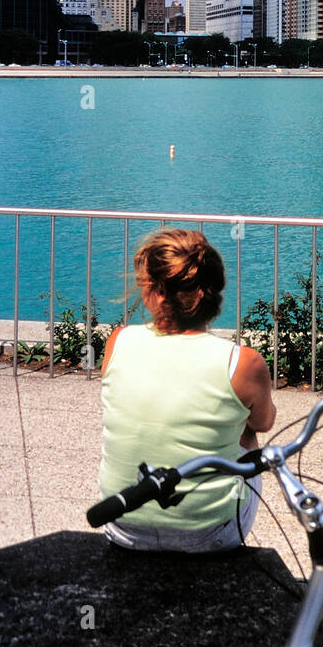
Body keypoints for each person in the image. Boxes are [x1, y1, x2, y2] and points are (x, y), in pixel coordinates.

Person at [98, 228, 276, 552]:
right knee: (246, 435)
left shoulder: (118, 341)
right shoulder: (243, 363)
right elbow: (264, 423)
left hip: (121, 523)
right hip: (209, 535)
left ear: (156, 293)